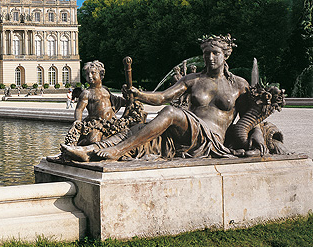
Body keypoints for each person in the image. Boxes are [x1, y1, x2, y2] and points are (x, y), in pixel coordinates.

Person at [62, 34, 251, 162]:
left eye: (215, 53)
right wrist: (138, 94)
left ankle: (117, 151)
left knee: (170, 112)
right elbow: (162, 97)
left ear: (225, 55)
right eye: (206, 53)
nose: (210, 57)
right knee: (138, 128)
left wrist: (256, 143)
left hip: (212, 138)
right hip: (187, 134)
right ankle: (89, 151)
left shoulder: (239, 85)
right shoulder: (193, 80)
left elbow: (250, 120)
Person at [66, 61, 133, 146]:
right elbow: (79, 109)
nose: (90, 76)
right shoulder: (87, 93)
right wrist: (77, 121)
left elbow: (118, 101)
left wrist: (129, 97)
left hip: (111, 122)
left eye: (93, 73)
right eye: (87, 74)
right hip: (96, 123)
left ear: (101, 74)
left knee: (128, 135)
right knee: (93, 140)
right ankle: (80, 145)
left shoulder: (105, 90)